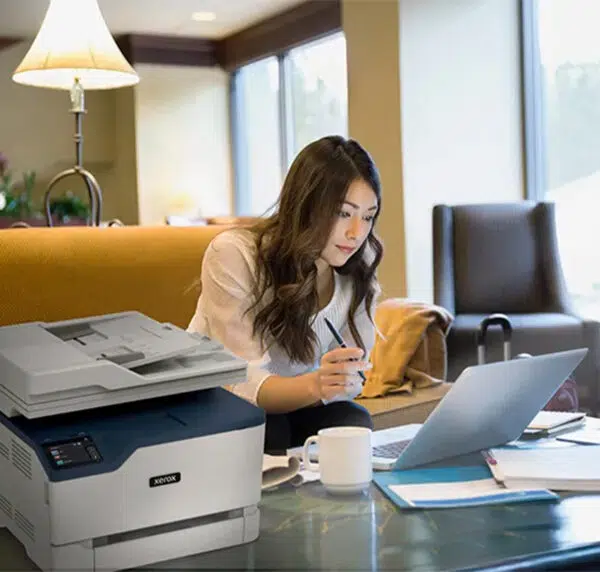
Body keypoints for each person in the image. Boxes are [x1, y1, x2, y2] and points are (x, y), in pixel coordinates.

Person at [187, 135, 384, 453]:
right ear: (306, 206)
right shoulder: (235, 255)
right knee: (266, 428)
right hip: (217, 402)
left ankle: (337, 503)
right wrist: (317, 383)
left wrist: (342, 379)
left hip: (293, 403)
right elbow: (241, 381)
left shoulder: (356, 271)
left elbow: (351, 380)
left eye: (368, 216)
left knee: (351, 422)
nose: (356, 233)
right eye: (343, 213)